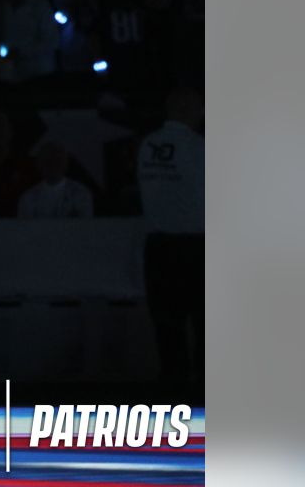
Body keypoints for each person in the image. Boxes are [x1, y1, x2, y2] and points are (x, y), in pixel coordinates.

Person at [136, 88, 203, 401]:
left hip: (159, 249)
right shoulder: (198, 148)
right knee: (205, 328)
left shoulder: (147, 146)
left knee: (168, 328)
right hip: (196, 247)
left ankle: (173, 400)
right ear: (190, 106)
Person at [17, 141, 94, 218]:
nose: (53, 166)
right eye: (48, 161)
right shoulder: (28, 198)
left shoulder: (81, 194)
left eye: (57, 160)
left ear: (65, 163)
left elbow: (85, 226)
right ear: (39, 164)